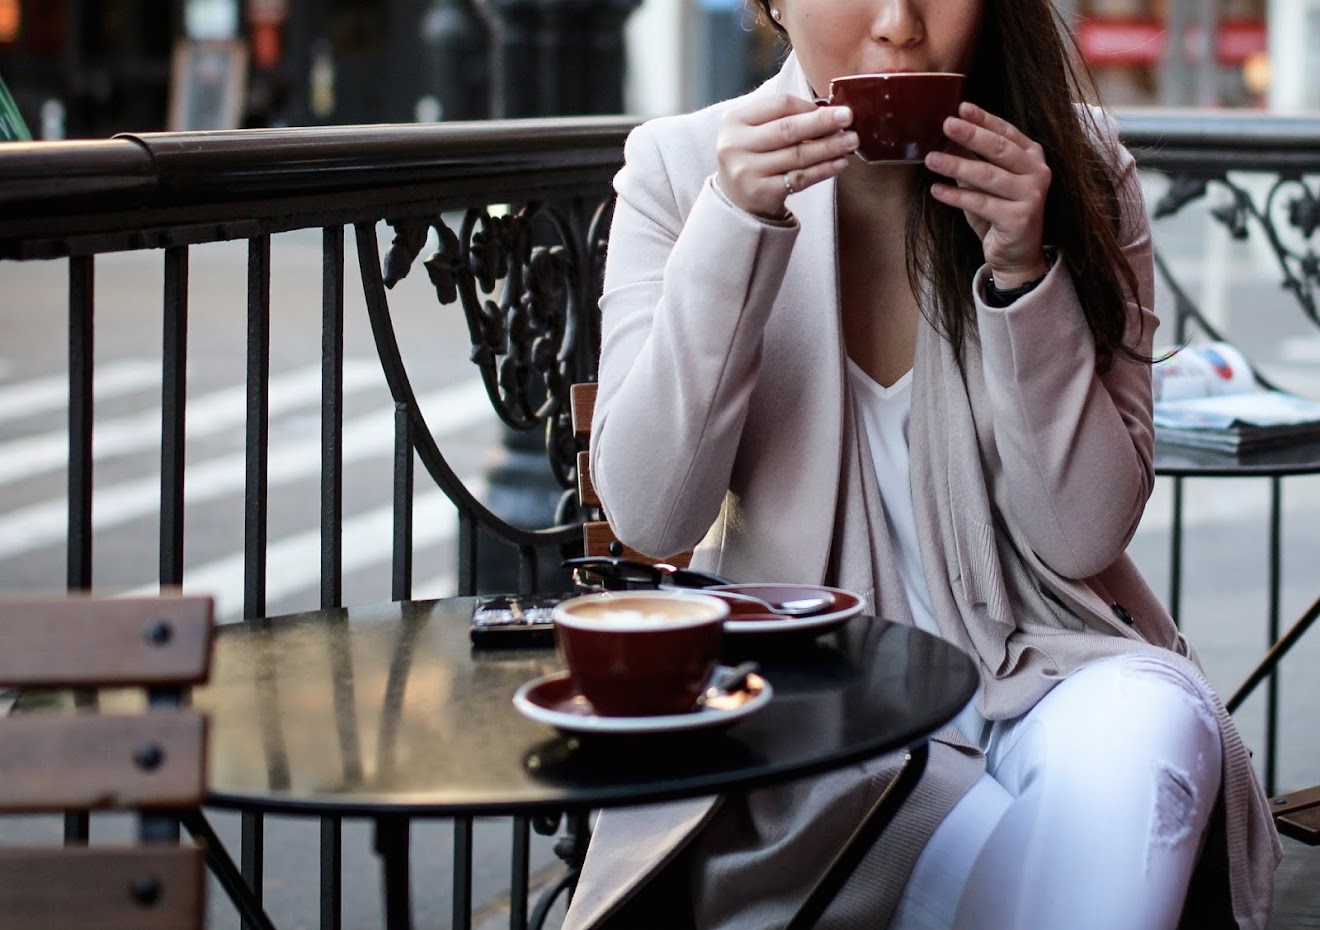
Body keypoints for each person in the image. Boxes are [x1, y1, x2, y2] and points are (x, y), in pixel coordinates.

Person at [561, 0, 1282, 927]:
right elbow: (653, 513)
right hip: (820, 716)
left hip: (1049, 668)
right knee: (1050, 853)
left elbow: (1084, 535)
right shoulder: (683, 167)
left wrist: (1026, 271)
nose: (900, 24)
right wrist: (734, 224)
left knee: (1153, 723)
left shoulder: (1079, 167)